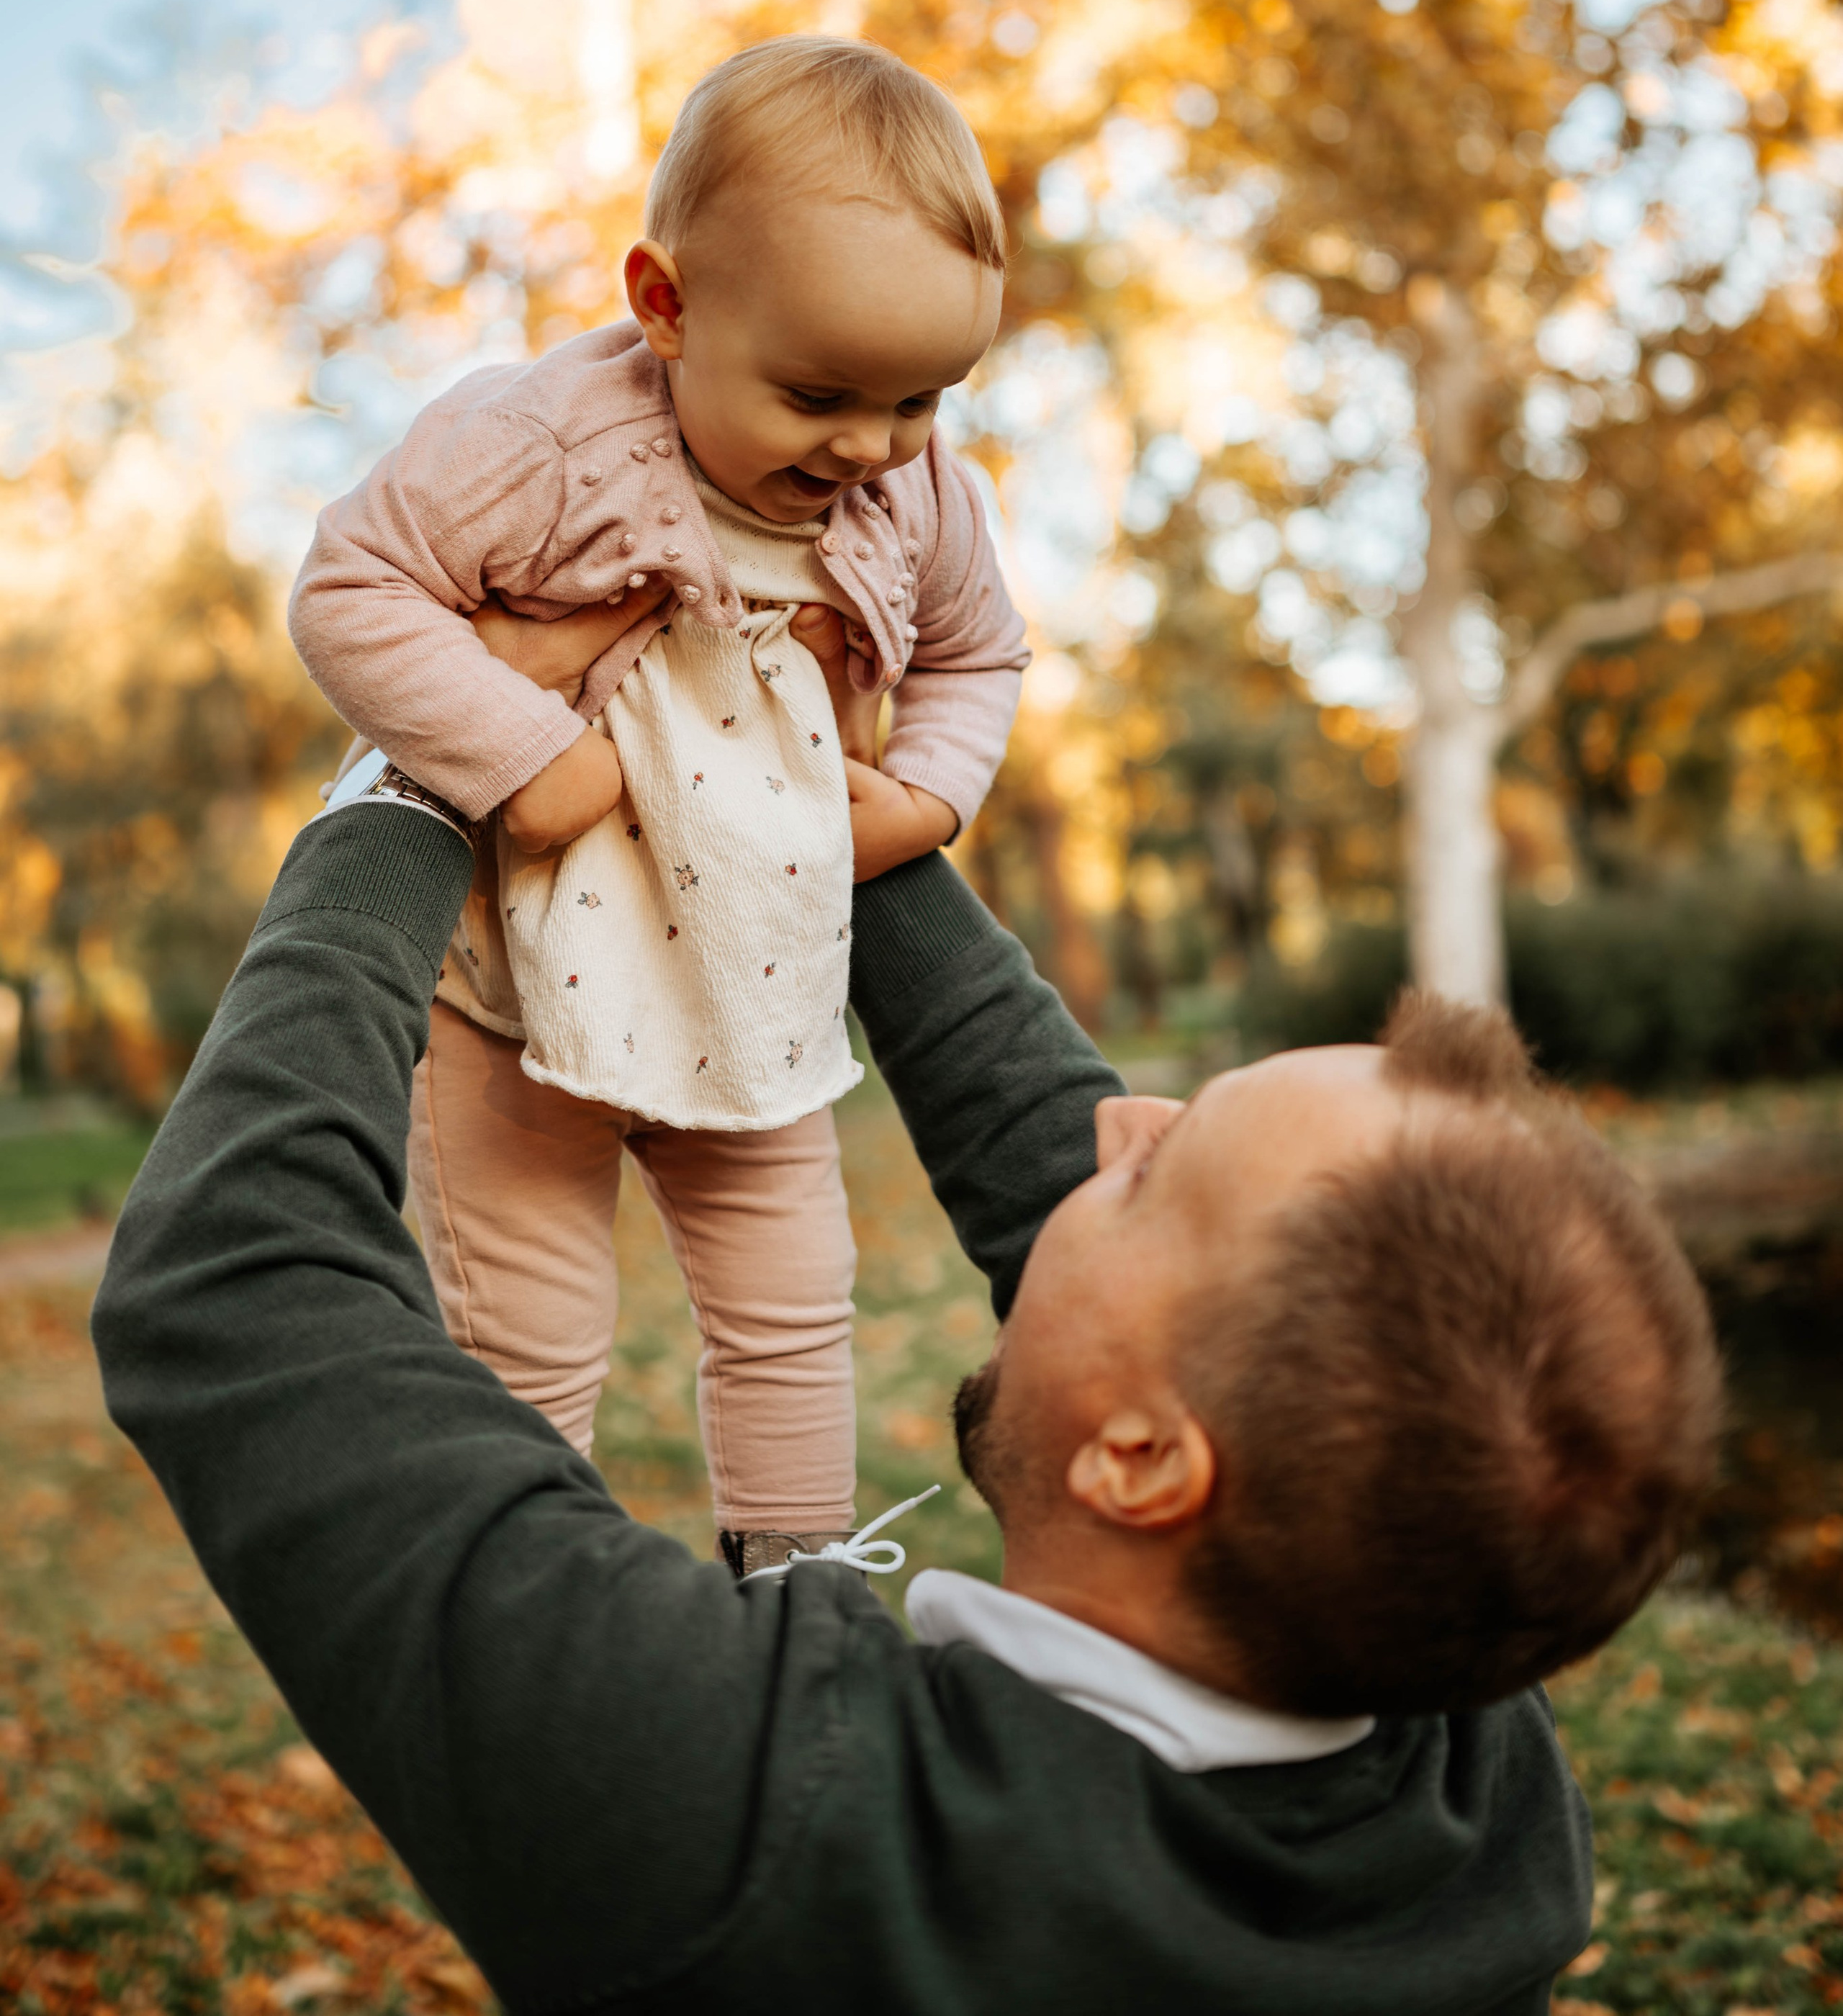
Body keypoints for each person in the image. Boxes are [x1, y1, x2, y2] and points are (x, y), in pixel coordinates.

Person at [94, 739, 1720, 2015]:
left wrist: (416, 773)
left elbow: (236, 1284)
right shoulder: (1469, 1756)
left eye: (1157, 1171)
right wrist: (784, 770)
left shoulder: (752, 1815)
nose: (1111, 1122)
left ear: (1142, 1462)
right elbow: (1102, 1207)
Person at [287, 37, 1029, 1567]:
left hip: (753, 974)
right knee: (529, 1334)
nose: (870, 446)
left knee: (790, 1310)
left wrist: (930, 796)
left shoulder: (916, 491)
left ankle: (795, 1596)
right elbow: (351, 589)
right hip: (509, 987)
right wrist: (525, 753)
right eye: (819, 394)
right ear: (666, 306)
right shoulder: (537, 446)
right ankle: (528, 1605)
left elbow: (980, 650)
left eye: (921, 398)